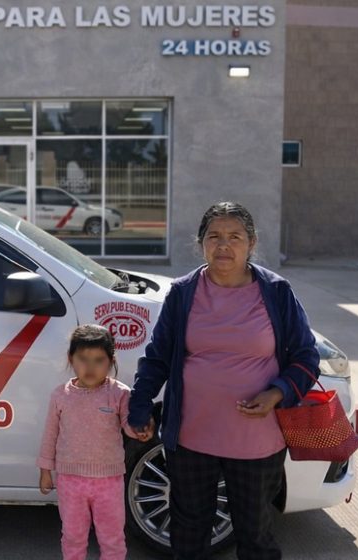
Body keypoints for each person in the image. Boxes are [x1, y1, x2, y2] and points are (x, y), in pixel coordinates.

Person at [125, 201, 320, 560]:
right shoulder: (184, 293)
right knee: (188, 535)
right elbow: (157, 358)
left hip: (256, 444)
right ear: (201, 242)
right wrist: (139, 408)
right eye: (214, 236)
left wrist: (278, 392)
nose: (224, 245)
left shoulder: (276, 292)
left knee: (255, 536)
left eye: (235, 237)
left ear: (252, 243)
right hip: (191, 439)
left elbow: (306, 357)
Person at [37, 324, 134, 560]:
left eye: (98, 360)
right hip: (70, 480)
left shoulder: (120, 393)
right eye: (83, 359)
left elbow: (129, 427)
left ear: (110, 361)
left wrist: (142, 428)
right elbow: (50, 434)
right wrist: (45, 470)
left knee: (112, 538)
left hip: (109, 481)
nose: (90, 367)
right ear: (71, 358)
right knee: (73, 536)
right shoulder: (61, 395)